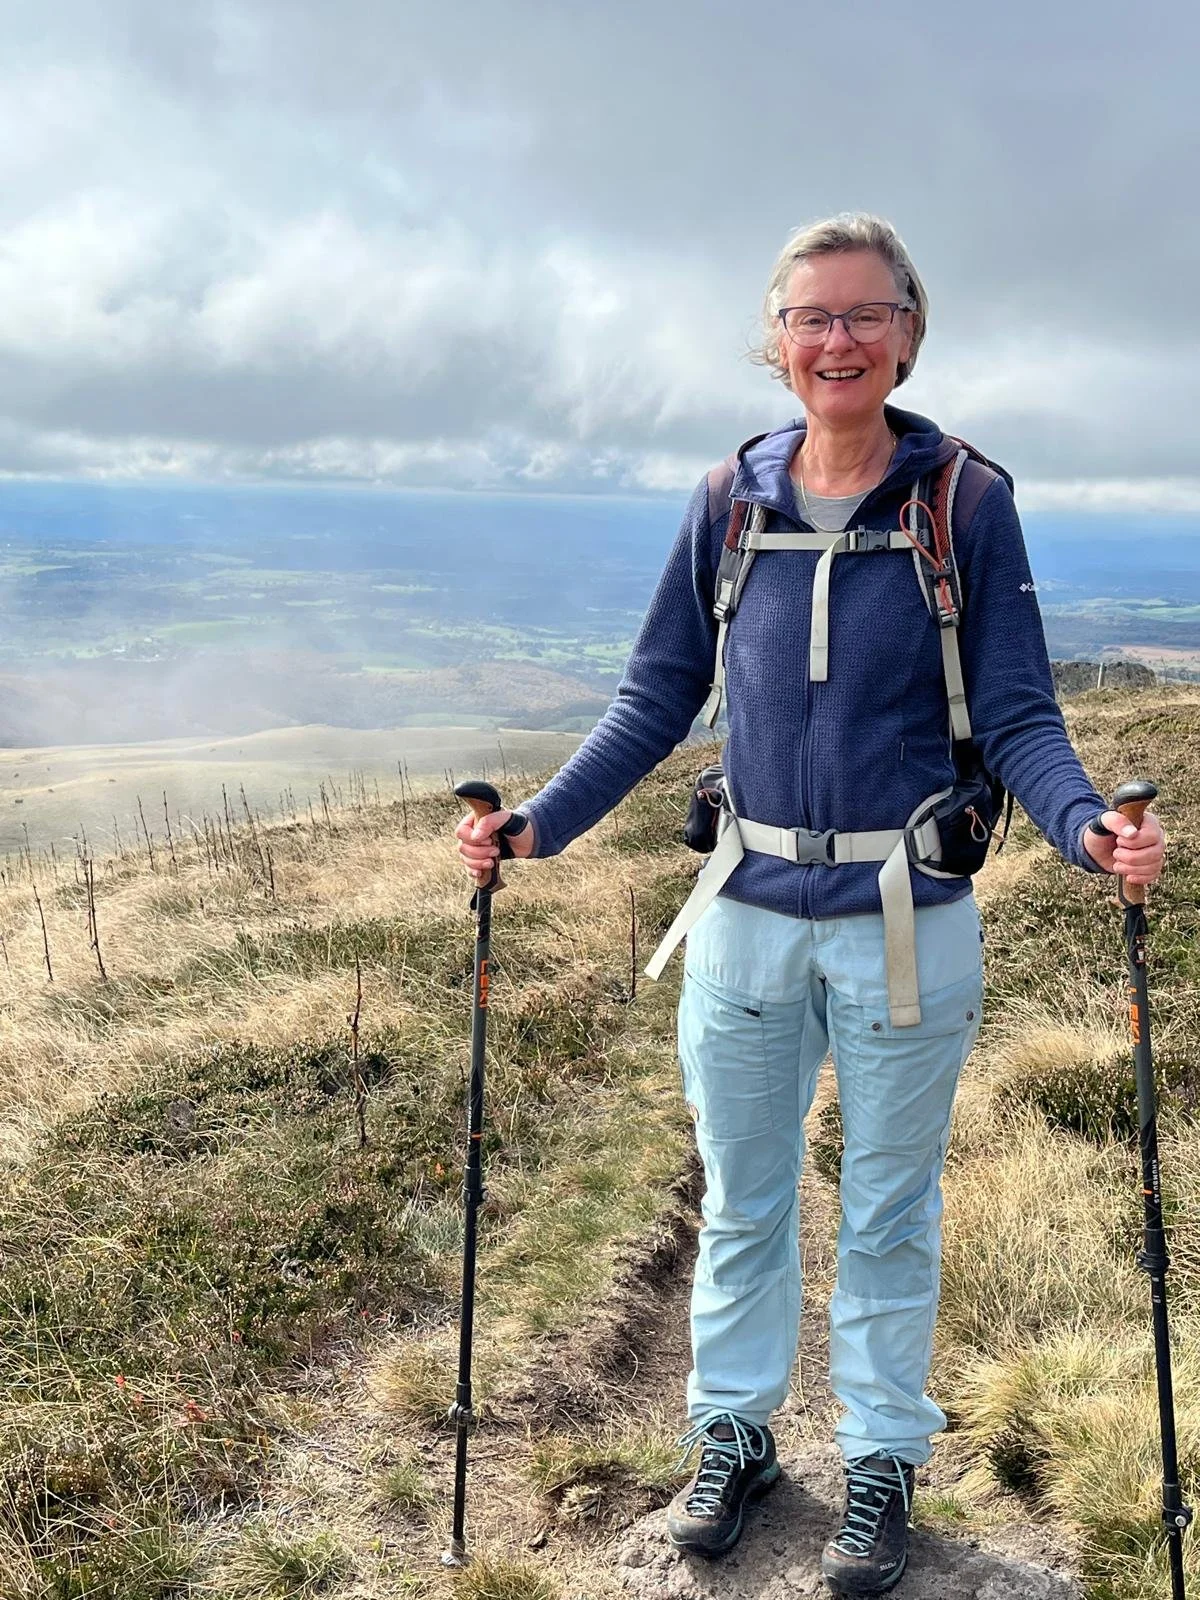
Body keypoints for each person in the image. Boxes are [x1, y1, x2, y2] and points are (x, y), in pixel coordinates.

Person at [455, 214, 1165, 1596]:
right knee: (743, 1195)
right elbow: (657, 692)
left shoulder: (963, 500)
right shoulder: (730, 495)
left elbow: (1018, 711)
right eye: (810, 317)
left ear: (908, 330)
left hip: (908, 913)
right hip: (745, 910)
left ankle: (883, 1460)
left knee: (890, 1207)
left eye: (864, 315)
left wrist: (1088, 831)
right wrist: (538, 826)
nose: (836, 340)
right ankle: (736, 1438)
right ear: (774, 337)